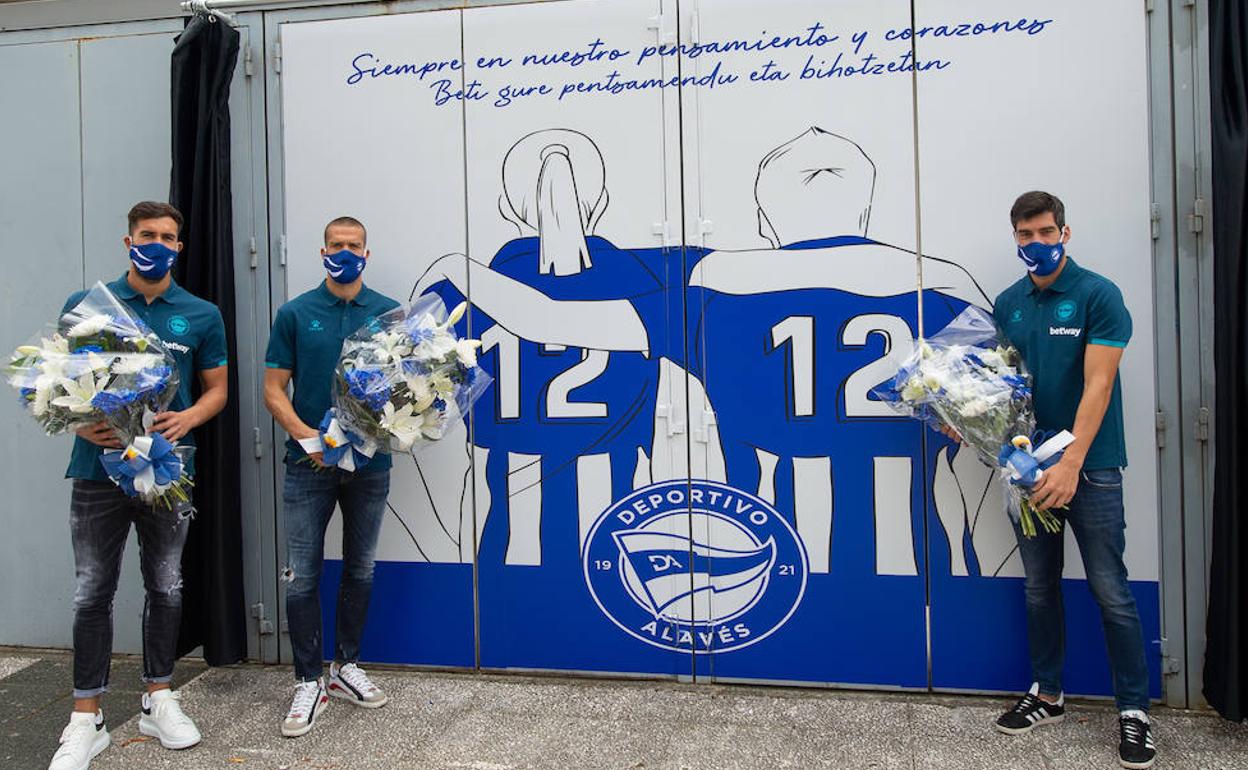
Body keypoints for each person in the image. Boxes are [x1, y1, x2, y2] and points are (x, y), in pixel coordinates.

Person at [50, 201, 228, 770]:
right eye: (146, 234)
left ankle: (158, 697)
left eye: (167, 236)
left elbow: (217, 390)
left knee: (167, 586)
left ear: (180, 247)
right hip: (95, 471)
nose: (156, 243)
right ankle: (87, 718)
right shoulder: (87, 306)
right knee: (91, 593)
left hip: (167, 471)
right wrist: (82, 422)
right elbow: (55, 385)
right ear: (127, 240)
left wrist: (189, 418)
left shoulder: (201, 314)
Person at [989, 191, 1154, 770]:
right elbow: (999, 390)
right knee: (1039, 587)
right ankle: (1047, 693)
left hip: (1092, 467)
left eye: (1045, 232)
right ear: (1014, 237)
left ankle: (1134, 711)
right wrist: (967, 423)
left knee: (1110, 589)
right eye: (1025, 235)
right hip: (1029, 470)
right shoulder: (1008, 302)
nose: (1036, 244)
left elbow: (1099, 386)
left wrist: (1072, 464)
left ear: (1065, 231)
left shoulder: (1096, 295)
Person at [263, 216, 399, 737]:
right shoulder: (296, 313)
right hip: (307, 467)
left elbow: (408, 386)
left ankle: (345, 668)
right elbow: (274, 387)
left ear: (367, 251)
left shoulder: (389, 312)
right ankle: (306, 681)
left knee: (360, 569)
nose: (346, 252)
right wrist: (306, 437)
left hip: (369, 465)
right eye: (337, 245)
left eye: (354, 245)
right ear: (322, 251)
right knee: (302, 574)